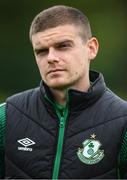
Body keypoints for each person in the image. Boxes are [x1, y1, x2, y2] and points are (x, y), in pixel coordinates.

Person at [0, 5, 127, 179]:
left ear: (91, 48)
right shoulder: (6, 117)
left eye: (63, 46)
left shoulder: (123, 122)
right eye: (42, 51)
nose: (51, 58)